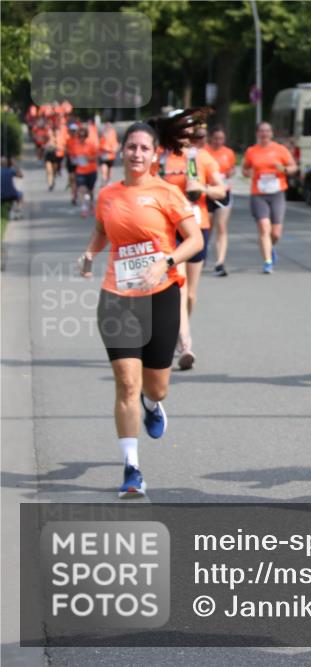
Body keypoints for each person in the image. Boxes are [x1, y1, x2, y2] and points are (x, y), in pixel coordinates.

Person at [78, 117, 203, 498]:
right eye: (131, 147)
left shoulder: (166, 192)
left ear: (154, 155)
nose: (136, 153)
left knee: (156, 387)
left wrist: (164, 262)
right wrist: (89, 253)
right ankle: (132, 469)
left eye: (144, 148)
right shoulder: (109, 194)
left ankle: (152, 405)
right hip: (117, 298)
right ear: (122, 151)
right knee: (125, 383)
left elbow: (194, 239)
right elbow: (102, 229)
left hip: (161, 294)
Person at [155, 115, 226, 370]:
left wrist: (203, 189)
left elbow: (223, 190)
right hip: (168, 230)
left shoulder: (201, 158)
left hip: (197, 227)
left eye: (186, 131)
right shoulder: (160, 158)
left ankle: (179, 331)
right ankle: (185, 343)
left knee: (191, 293)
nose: (182, 136)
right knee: (179, 286)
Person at [242, 122, 297, 274]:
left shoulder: (280, 149)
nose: (264, 134)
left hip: (277, 193)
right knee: (264, 228)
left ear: (271, 133)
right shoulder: (252, 151)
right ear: (257, 133)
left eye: (267, 131)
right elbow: (245, 168)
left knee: (276, 233)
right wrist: (248, 174)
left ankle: (270, 247)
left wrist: (284, 169)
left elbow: (293, 167)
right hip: (258, 194)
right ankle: (267, 261)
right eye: (261, 131)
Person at [204, 125, 237, 276]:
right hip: (206, 194)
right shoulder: (204, 152)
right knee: (207, 228)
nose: (218, 141)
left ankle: (220, 262)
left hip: (223, 193)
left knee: (222, 227)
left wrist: (229, 174)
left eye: (221, 139)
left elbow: (232, 169)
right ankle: (203, 251)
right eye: (216, 138)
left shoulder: (228, 152)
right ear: (210, 138)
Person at [67, 124, 100, 216]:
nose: (81, 138)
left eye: (83, 136)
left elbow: (97, 156)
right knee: (81, 189)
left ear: (86, 136)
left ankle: (91, 204)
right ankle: (84, 207)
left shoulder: (91, 145)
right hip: (80, 171)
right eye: (80, 136)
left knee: (91, 190)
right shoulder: (75, 145)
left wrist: (89, 158)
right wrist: (74, 159)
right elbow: (72, 157)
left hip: (91, 170)